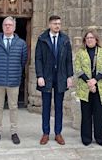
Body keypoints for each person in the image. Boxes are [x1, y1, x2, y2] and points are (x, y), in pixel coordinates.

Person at [35, 15, 73, 145]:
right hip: (46, 77)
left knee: (59, 106)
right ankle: (45, 133)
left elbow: (69, 59)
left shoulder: (65, 40)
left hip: (61, 76)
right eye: (55, 23)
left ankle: (58, 133)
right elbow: (38, 59)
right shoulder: (42, 39)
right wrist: (39, 75)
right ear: (49, 24)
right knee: (46, 106)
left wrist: (69, 76)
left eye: (59, 23)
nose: (57, 26)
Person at [0, 16, 28, 145]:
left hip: (13, 80)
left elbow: (23, 61)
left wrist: (15, 72)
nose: (8, 27)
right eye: (5, 24)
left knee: (13, 107)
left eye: (10, 25)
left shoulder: (21, 43)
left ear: (14, 27)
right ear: (2, 27)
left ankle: (14, 132)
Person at [74, 29, 102, 146]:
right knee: (86, 114)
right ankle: (86, 138)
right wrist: (88, 82)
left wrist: (95, 80)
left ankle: (99, 138)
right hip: (85, 88)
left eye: (92, 38)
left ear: (96, 40)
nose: (89, 40)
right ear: (85, 40)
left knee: (99, 115)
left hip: (100, 87)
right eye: (87, 38)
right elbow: (77, 68)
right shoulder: (81, 52)